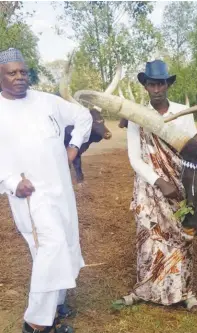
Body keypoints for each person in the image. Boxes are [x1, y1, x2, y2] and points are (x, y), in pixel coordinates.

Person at [0, 48, 93, 333]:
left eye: (23, 72)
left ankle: (56, 303)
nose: (19, 78)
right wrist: (12, 182)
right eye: (12, 73)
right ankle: (36, 322)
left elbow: (83, 116)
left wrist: (74, 146)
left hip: (61, 190)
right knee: (50, 247)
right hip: (31, 195)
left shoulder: (46, 101)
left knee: (63, 244)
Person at [116, 59, 197, 311]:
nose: (156, 89)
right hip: (148, 187)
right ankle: (145, 289)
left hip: (179, 184)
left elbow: (193, 150)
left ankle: (186, 292)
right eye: (151, 84)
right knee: (149, 238)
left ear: (167, 84)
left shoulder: (183, 113)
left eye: (160, 83)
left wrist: (184, 184)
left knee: (181, 236)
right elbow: (134, 157)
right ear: (146, 86)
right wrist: (158, 181)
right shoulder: (137, 116)